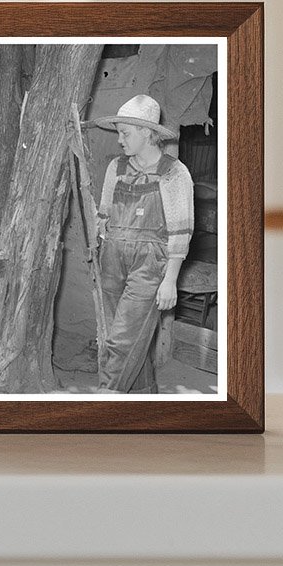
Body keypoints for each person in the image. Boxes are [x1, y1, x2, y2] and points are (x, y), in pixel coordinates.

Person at [95, 94, 193, 394]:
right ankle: (146, 401)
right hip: (112, 258)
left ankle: (102, 402)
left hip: (150, 265)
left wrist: (170, 281)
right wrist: (100, 239)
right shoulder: (116, 168)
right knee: (122, 336)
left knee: (122, 341)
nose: (119, 140)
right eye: (119, 133)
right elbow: (104, 213)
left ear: (148, 134)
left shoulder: (174, 173)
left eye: (125, 133)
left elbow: (180, 231)